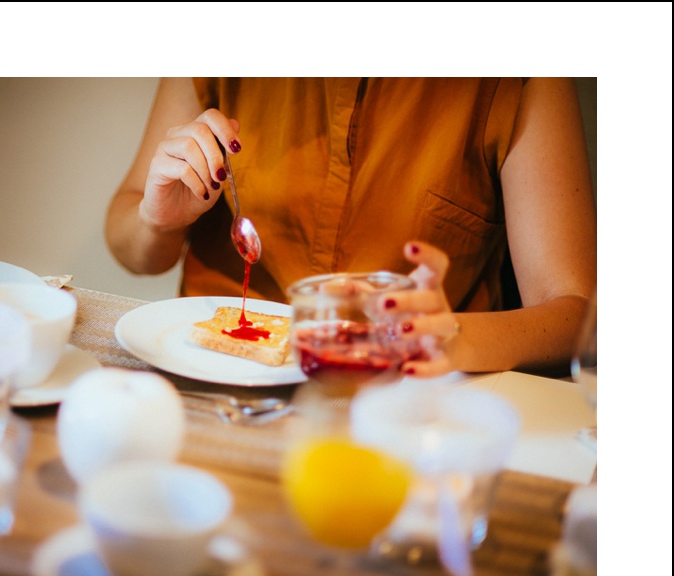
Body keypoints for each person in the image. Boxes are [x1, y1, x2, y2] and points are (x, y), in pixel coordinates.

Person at [105, 78, 596, 378]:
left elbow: (581, 315)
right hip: (215, 378)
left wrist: (455, 336)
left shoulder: (518, 75)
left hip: (405, 394)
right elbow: (135, 252)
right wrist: (157, 219)